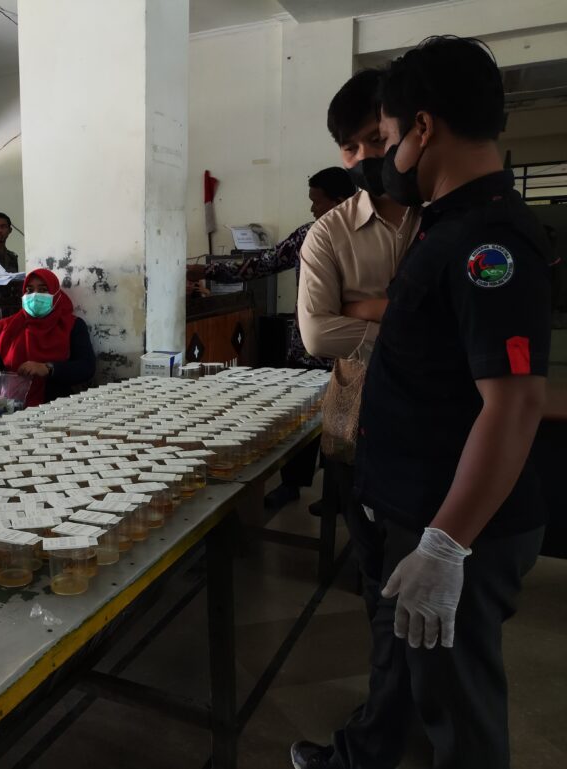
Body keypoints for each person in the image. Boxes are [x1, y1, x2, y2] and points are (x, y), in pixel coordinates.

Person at [291, 37, 551, 769]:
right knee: (414, 669)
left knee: (458, 709)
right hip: (418, 503)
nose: (381, 157)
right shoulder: (447, 225)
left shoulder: (488, 241)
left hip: (457, 521)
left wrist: (445, 544)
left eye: (387, 136)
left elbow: (515, 403)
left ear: (423, 128)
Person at [296, 68, 421, 619]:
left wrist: (365, 309)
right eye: (350, 147)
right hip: (355, 420)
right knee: (374, 570)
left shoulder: (440, 216)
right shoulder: (329, 232)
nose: (365, 156)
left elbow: (461, 320)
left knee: (428, 564)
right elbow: (317, 333)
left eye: (376, 139)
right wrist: (412, 325)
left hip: (435, 421)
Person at [206, 168, 355, 510]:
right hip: (307, 349)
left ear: (338, 200)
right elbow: (265, 263)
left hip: (347, 351)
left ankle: (337, 494)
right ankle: (291, 484)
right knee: (298, 419)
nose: (313, 208)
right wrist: (211, 270)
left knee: (342, 426)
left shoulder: (365, 239)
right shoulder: (308, 234)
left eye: (317, 201)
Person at [0, 268, 96, 407]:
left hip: (56, 408)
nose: (35, 295)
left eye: (43, 290)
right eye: (29, 290)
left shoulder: (72, 325)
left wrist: (48, 368)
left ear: (56, 294)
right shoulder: (6, 327)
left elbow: (87, 367)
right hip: (11, 408)